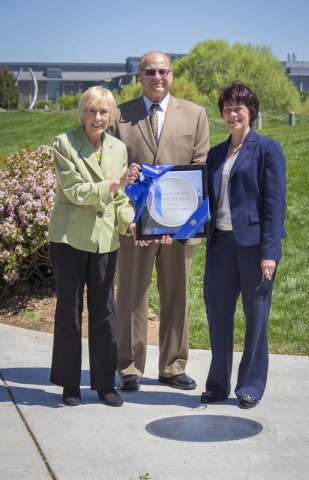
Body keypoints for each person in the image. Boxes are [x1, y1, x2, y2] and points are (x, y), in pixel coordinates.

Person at [108, 51, 210, 391]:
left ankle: (172, 366)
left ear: (171, 73)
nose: (157, 77)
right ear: (139, 75)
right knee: (132, 297)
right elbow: (110, 170)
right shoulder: (120, 115)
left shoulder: (195, 115)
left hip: (178, 229)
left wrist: (182, 225)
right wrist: (128, 213)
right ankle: (130, 368)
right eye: (149, 71)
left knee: (176, 296)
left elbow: (200, 169)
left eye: (162, 71)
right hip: (134, 226)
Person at [48, 86, 141, 407]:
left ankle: (104, 385)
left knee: (105, 314)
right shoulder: (64, 143)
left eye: (104, 112)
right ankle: (70, 385)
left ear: (111, 116)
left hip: (105, 240)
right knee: (69, 313)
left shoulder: (118, 148)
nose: (97, 117)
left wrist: (132, 222)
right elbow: (75, 191)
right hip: (69, 239)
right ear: (81, 114)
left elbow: (118, 199)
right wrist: (117, 182)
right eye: (91, 111)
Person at [201, 82, 287, 409]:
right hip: (220, 243)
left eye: (239, 108)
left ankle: (250, 386)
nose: (232, 114)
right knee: (218, 315)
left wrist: (269, 252)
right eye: (227, 109)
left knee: (256, 316)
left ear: (251, 111)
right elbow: (203, 200)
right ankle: (218, 385)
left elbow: (275, 205)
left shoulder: (267, 148)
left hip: (254, 247)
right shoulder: (215, 153)